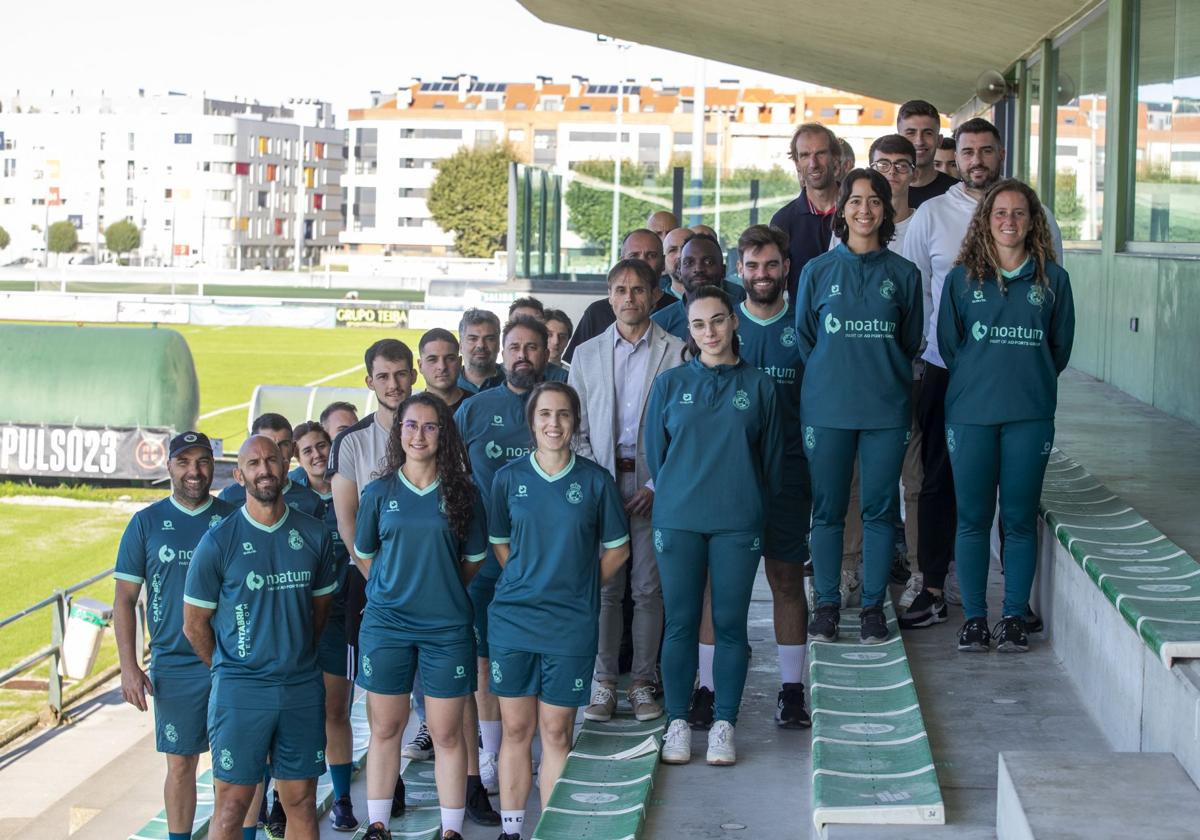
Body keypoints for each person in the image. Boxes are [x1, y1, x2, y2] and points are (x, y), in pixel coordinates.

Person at [901, 117, 1064, 630]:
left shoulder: (1039, 219)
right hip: (947, 367)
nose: (976, 160)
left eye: (985, 151)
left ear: (1000, 153)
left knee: (1012, 508)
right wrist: (948, 360)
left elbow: (1053, 325)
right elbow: (915, 293)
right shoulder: (932, 214)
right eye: (967, 151)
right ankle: (933, 586)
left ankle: (1014, 605)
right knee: (938, 482)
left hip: (1017, 382)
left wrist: (1023, 368)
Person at [646, 286, 783, 766]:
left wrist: (744, 503)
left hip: (737, 522)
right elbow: (656, 459)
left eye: (718, 320)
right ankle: (677, 722)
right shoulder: (668, 385)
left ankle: (725, 722)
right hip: (679, 520)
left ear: (734, 322)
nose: (710, 332)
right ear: (689, 329)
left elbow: (770, 464)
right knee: (680, 623)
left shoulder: (761, 387)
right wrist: (683, 495)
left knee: (730, 624)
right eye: (699, 324)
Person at [487, 382, 630, 840]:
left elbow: (618, 549)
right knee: (516, 729)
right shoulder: (508, 478)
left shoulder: (595, 481)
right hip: (513, 621)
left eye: (563, 415)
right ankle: (511, 831)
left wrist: (577, 586)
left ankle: (549, 831)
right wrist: (530, 580)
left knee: (556, 732)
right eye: (545, 414)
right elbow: (500, 543)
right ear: (532, 422)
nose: (554, 423)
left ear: (575, 421)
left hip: (570, 625)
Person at [937, 179, 1074, 653]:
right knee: (973, 518)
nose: (1009, 221)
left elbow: (1059, 349)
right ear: (985, 220)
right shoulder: (961, 280)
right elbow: (952, 348)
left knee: (1017, 519)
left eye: (1019, 213)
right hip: (971, 414)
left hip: (1029, 416)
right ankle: (975, 618)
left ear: (1032, 221)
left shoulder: (1053, 280)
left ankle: (1013, 616)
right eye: (1000, 213)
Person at [183, 435, 338, 840]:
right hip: (241, 690)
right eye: (253, 464)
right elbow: (195, 624)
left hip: (300, 687)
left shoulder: (314, 535)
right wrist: (230, 666)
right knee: (233, 805)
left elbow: (317, 615)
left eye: (271, 460)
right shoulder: (218, 541)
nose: (264, 469)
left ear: (285, 466)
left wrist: (292, 652)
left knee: (300, 801)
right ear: (239, 475)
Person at [353, 394, 490, 840]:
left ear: (444, 435)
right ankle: (377, 825)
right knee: (387, 727)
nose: (419, 435)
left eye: (430, 427)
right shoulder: (378, 492)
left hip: (446, 629)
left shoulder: (465, 494)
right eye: (411, 426)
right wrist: (398, 590)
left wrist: (437, 589)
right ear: (399, 433)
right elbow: (368, 556)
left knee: (448, 733)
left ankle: (451, 830)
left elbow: (470, 562)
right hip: (387, 626)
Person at [796, 169, 923, 646]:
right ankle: (827, 604)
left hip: (885, 410)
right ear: (842, 209)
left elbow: (909, 341)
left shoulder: (904, 274)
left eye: (874, 201)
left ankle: (872, 606)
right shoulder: (817, 272)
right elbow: (808, 341)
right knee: (827, 511)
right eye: (855, 201)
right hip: (828, 408)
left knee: (880, 510)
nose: (864, 209)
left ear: (886, 211)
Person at [569, 258, 684, 723]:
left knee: (648, 589)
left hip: (654, 483)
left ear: (655, 295)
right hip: (603, 479)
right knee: (606, 587)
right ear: (609, 296)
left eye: (638, 290)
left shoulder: (676, 350)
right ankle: (602, 683)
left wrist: (657, 483)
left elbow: (683, 428)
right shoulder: (587, 354)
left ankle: (641, 682)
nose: (629, 298)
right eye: (620, 290)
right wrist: (598, 482)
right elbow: (574, 427)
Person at [113, 432, 236, 840]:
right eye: (183, 462)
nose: (194, 471)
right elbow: (125, 599)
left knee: (232, 766)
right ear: (168, 467)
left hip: (229, 661)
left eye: (202, 461)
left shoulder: (233, 516)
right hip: (174, 664)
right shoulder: (146, 523)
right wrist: (129, 667)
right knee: (181, 765)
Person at [453, 316, 549, 804]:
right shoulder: (474, 410)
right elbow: (450, 475)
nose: (522, 356)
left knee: (535, 654)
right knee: (487, 661)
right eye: (515, 347)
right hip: (484, 558)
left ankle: (534, 751)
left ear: (545, 353)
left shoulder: (556, 405)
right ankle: (493, 756)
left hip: (543, 559)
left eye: (532, 348)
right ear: (501, 352)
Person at [328, 339, 419, 821]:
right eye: (383, 376)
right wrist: (375, 576)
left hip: (428, 580)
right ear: (369, 382)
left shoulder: (430, 431)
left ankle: (463, 783)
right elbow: (347, 520)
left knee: (434, 690)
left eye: (402, 374)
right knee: (378, 691)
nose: (393, 384)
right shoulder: (352, 442)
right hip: (371, 582)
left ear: (414, 376)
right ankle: (386, 782)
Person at [733, 224, 813, 728]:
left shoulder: (804, 325)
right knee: (725, 586)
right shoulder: (719, 323)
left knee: (785, 579)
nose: (762, 275)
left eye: (771, 265)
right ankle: (713, 687)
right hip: (730, 481)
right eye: (752, 266)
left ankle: (791, 690)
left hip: (788, 475)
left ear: (786, 267)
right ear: (738, 269)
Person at [293, 421, 359, 831]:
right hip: (294, 622)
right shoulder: (291, 500)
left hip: (337, 618)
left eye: (322, 445)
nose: (317, 454)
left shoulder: (348, 487)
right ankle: (285, 800)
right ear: (297, 460)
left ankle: (342, 798)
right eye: (307, 450)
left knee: (336, 710)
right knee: (294, 714)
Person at [563, 229, 673, 362]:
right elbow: (574, 368)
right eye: (634, 255)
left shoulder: (678, 310)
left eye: (651, 255)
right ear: (622, 262)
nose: (642, 262)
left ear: (663, 263)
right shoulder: (597, 312)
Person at [771, 123, 841, 300]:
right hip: (803, 324)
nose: (813, 163)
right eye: (804, 155)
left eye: (821, 153)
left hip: (854, 322)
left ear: (835, 158)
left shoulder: (859, 213)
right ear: (796, 163)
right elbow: (776, 286)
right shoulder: (783, 221)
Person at [221, 414, 322, 519]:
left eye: (283, 444)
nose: (276, 450)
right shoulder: (229, 497)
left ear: (293, 449)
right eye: (267, 444)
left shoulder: (311, 501)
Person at [652, 234, 740, 339]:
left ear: (723, 270)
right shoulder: (659, 324)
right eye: (689, 262)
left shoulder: (743, 314)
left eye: (708, 262)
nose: (698, 269)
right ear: (679, 271)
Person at [896, 99, 958, 208]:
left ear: (939, 141)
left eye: (927, 133)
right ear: (897, 139)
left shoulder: (957, 193)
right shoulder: (882, 191)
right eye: (911, 133)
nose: (919, 141)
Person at [418, 328, 471, 414]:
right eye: (432, 359)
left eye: (450, 359)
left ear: (460, 362)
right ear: (420, 366)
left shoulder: (477, 406)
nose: (442, 367)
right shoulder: (410, 411)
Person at [458, 309, 505, 395]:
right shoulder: (449, 384)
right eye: (473, 339)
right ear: (460, 346)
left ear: (498, 344)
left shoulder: (511, 384)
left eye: (489, 339)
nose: (481, 345)